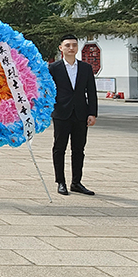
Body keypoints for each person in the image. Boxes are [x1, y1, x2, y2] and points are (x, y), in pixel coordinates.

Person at [49, 34, 98, 195]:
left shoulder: (85, 68)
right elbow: (47, 91)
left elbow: (91, 92)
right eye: (68, 45)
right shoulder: (53, 68)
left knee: (78, 149)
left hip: (80, 114)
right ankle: (60, 182)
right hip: (61, 113)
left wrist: (92, 113)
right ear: (61, 48)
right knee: (59, 148)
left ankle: (76, 182)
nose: (71, 48)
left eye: (74, 45)